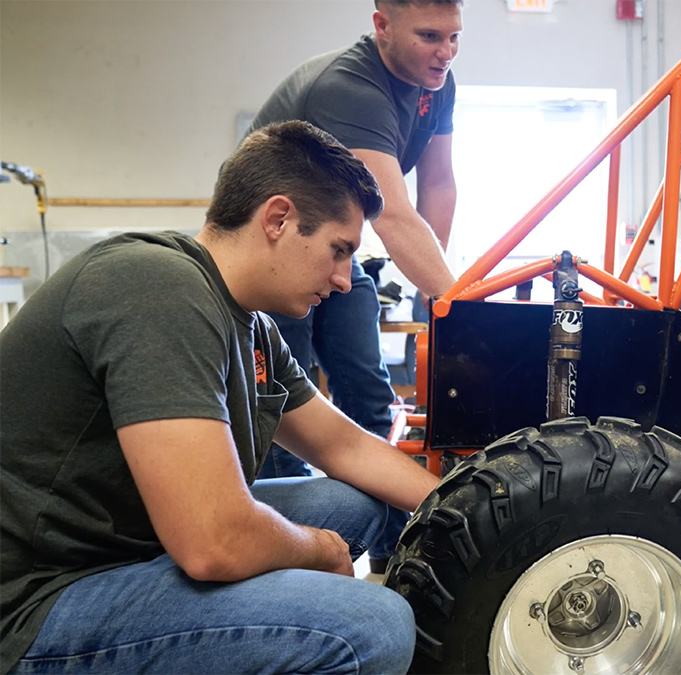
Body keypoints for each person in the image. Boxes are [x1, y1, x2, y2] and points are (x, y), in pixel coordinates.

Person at [0, 121, 441, 674]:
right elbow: (215, 543)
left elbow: (344, 447)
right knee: (373, 624)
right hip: (37, 600)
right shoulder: (157, 287)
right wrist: (321, 552)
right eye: (338, 249)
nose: (346, 278)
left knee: (354, 503)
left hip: (131, 547)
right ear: (278, 219)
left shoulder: (251, 325)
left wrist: (464, 504)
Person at [247, 0, 462, 573]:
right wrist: (464, 309)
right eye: (429, 36)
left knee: (370, 396)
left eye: (453, 36)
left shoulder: (436, 83)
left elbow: (437, 187)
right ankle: (282, 563)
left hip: (337, 251)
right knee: (279, 415)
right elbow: (391, 216)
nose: (445, 52)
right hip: (274, 257)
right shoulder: (351, 88)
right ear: (382, 26)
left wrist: (435, 294)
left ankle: (397, 553)